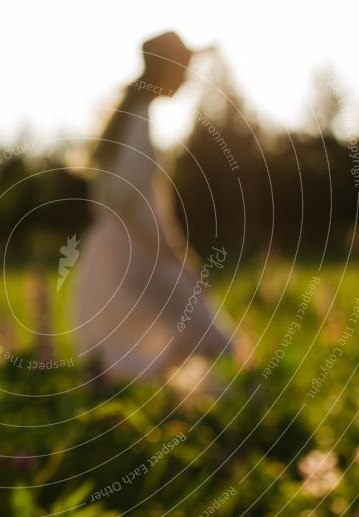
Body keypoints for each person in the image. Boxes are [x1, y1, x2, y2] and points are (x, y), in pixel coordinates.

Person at [74, 31, 242, 395]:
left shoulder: (129, 114)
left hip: (118, 243)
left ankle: (183, 411)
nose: (186, 78)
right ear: (167, 69)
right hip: (135, 246)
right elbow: (131, 202)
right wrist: (173, 253)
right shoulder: (137, 119)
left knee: (127, 345)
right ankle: (241, 409)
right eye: (183, 68)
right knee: (196, 327)